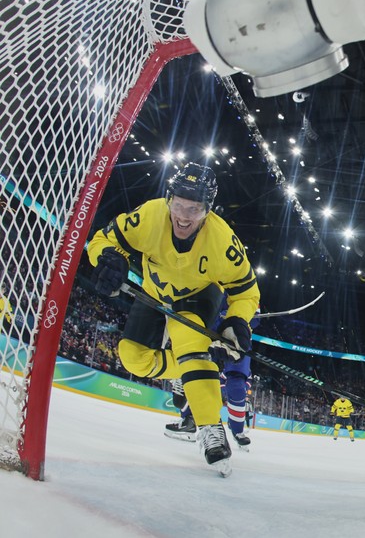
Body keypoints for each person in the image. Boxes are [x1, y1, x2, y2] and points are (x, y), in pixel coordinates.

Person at [88, 163, 259, 477]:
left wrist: (237, 321)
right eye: (178, 204)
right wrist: (107, 259)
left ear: (208, 210)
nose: (183, 216)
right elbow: (102, 240)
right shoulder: (150, 215)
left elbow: (247, 292)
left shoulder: (223, 242)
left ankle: (210, 428)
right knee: (133, 359)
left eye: (194, 209)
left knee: (190, 344)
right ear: (168, 199)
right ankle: (188, 369)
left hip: (199, 295)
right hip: (153, 291)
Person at [165, 306, 260, 450]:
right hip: (207, 327)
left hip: (234, 333)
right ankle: (189, 420)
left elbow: (254, 316)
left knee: (237, 385)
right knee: (194, 367)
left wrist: (238, 319)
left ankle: (237, 430)